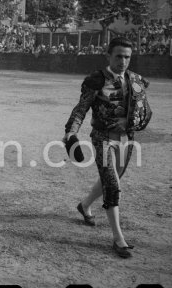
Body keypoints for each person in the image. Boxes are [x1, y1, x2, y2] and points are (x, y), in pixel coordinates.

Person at [64, 37, 152, 258]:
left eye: (127, 57)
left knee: (110, 179)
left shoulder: (136, 81)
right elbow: (81, 109)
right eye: (119, 56)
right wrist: (71, 132)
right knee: (112, 184)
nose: (123, 61)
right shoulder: (96, 80)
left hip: (126, 140)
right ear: (108, 56)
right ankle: (118, 239)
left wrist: (128, 123)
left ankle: (84, 206)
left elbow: (145, 114)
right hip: (102, 137)